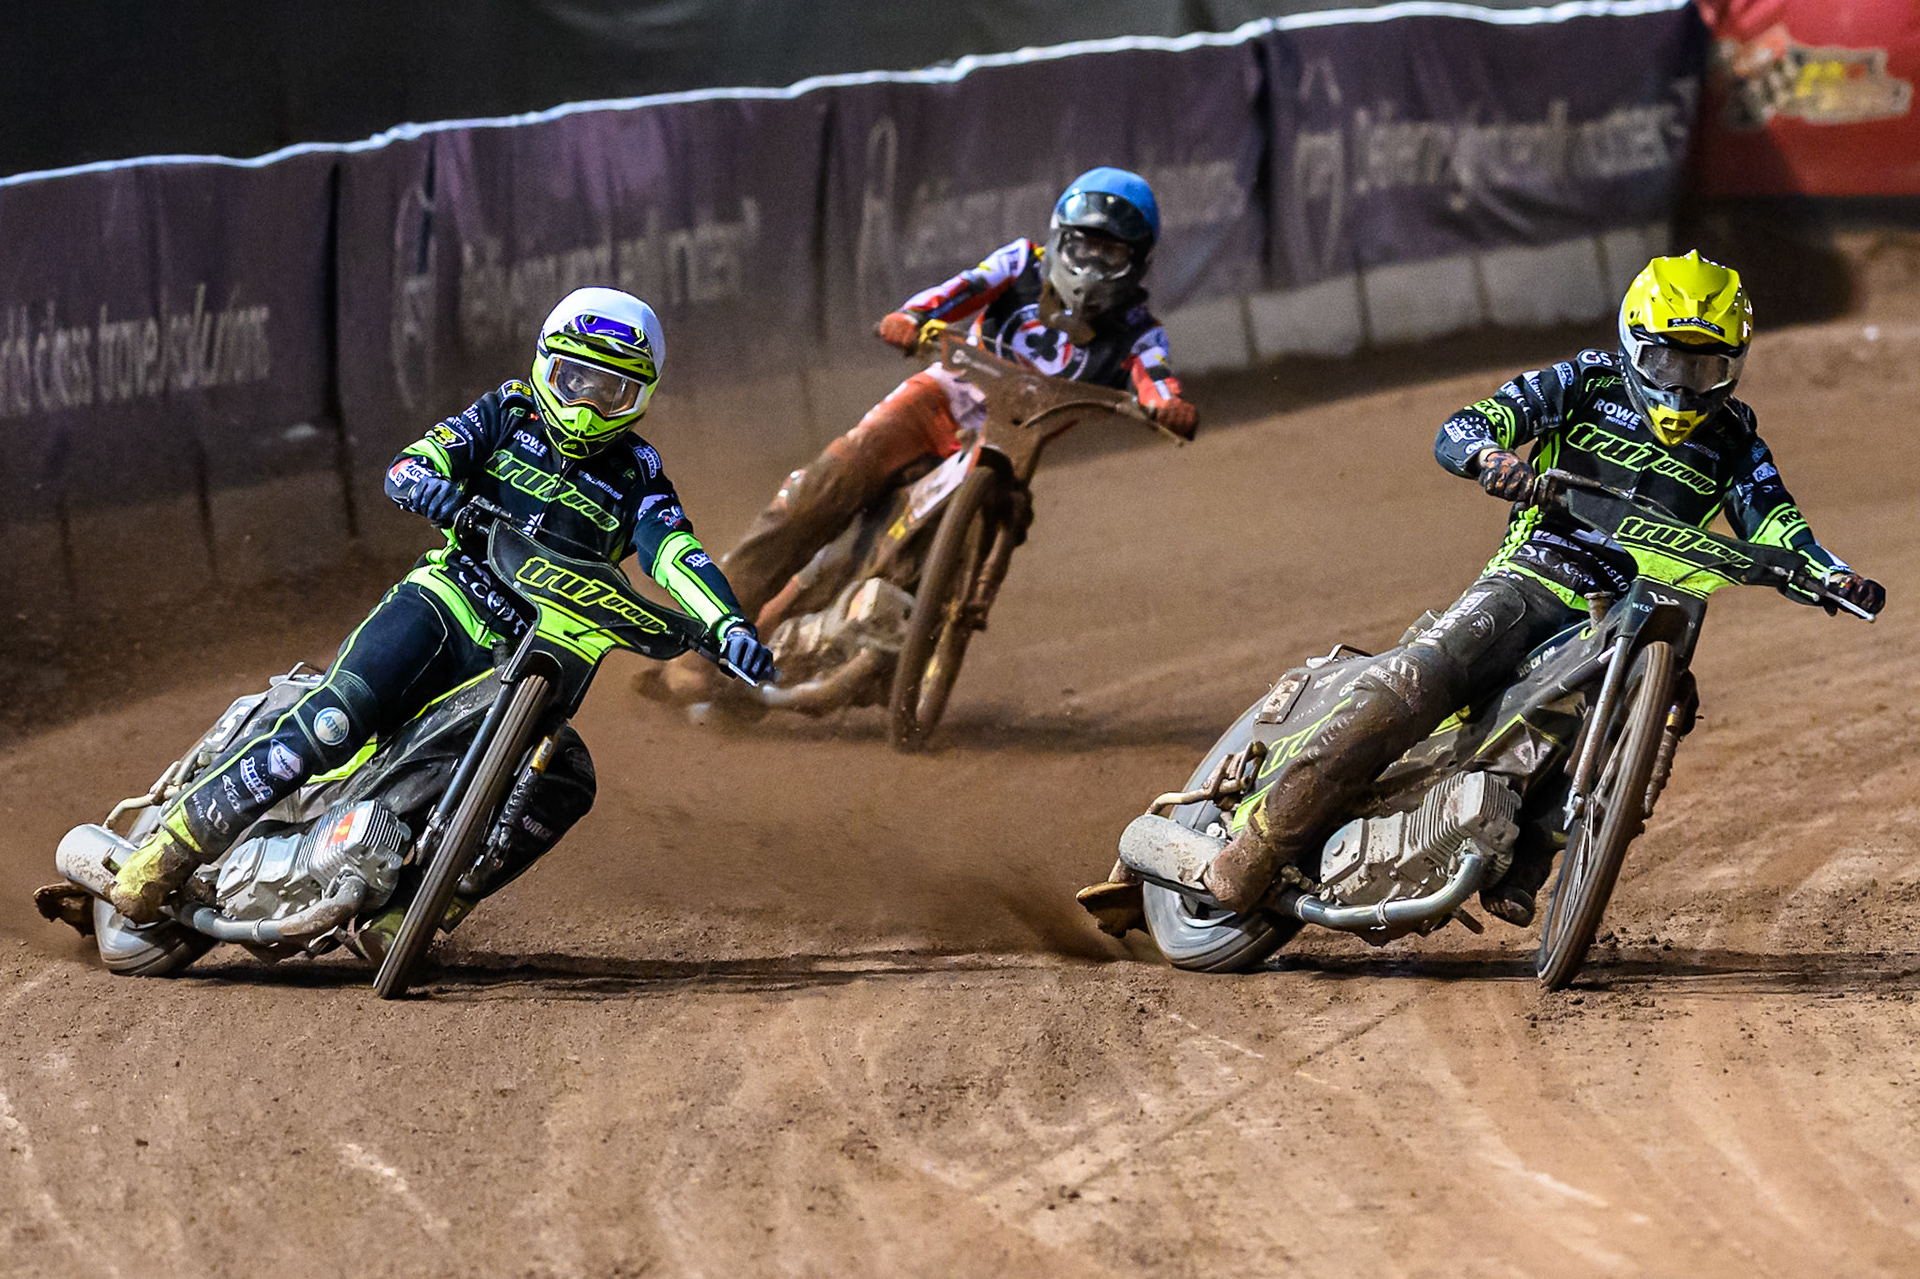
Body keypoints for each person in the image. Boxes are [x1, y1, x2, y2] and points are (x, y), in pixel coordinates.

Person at [1194, 251, 1885, 925]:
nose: (1681, 387)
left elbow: (1780, 526)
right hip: (1537, 576)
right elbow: (1468, 424)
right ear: (1632, 344)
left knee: (1668, 707)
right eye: (1666, 362)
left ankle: (1531, 857)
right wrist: (1490, 457)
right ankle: (1257, 844)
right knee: (1418, 679)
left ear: (1731, 368)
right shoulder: (1586, 380)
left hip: (1638, 613)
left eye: (1703, 367)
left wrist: (1831, 574)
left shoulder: (1737, 441)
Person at [107, 287, 775, 950]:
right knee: (336, 718)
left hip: (528, 653)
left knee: (564, 778)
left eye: (610, 392)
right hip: (447, 600)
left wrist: (728, 625)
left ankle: (417, 910)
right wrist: (426, 481)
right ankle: (172, 844)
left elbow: (674, 551)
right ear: (547, 364)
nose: (585, 405)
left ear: (641, 398)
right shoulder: (508, 412)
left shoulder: (639, 474)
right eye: (574, 380)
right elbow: (418, 459)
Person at [655, 166, 1198, 701]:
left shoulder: (1139, 331)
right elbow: (961, 289)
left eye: (1112, 253)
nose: (1093, 264)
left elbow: (1155, 381)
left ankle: (869, 653)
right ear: (1059, 240)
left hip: (1010, 448)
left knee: (891, 555)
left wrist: (1167, 407)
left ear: (1137, 263)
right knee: (817, 493)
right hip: (935, 401)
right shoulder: (1021, 263)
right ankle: (699, 641)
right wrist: (912, 317)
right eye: (1084, 247)